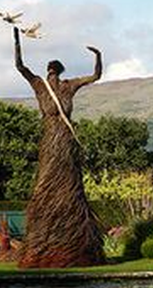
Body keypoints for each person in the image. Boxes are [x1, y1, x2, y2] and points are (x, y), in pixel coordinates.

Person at [14, 26, 104, 268]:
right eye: (50, 70)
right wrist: (16, 40)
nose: (52, 73)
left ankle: (75, 241)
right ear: (46, 73)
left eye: (55, 70)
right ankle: (44, 242)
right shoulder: (39, 86)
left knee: (69, 183)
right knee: (47, 183)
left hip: (65, 139)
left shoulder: (68, 86)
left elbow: (95, 77)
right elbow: (20, 67)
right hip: (50, 141)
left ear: (60, 73)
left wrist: (98, 56)